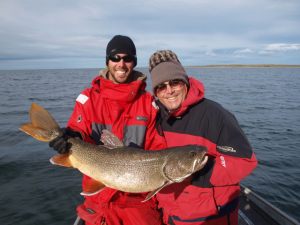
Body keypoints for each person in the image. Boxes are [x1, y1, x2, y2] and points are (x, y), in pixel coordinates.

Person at [49, 35, 166, 225]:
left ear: (134, 62)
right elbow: (79, 130)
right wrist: (68, 138)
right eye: (115, 58)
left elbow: (158, 148)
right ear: (107, 61)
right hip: (98, 198)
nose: (121, 64)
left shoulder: (149, 103)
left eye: (127, 58)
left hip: (138, 202)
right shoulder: (88, 98)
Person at [149, 50, 258, 225]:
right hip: (170, 215)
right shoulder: (155, 118)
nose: (169, 91)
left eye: (174, 82)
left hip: (210, 217)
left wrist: (199, 170)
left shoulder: (215, 115)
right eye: (161, 86)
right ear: (156, 92)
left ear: (185, 82)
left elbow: (245, 160)